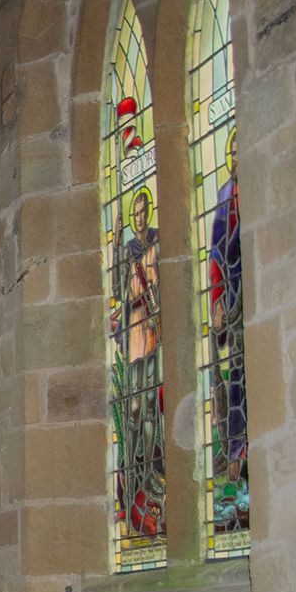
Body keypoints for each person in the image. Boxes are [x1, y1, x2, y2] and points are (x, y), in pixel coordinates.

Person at [114, 186, 164, 539]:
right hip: (134, 329)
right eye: (136, 212)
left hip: (153, 326)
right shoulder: (130, 249)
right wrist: (116, 242)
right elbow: (119, 288)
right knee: (133, 403)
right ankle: (135, 476)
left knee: (149, 402)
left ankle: (151, 473)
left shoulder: (158, 243)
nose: (140, 216)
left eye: (144, 210)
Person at [207, 132, 247, 530]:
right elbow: (217, 251)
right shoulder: (224, 195)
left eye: (240, 149)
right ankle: (235, 473)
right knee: (237, 379)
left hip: (256, 290)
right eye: (232, 151)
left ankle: (246, 470)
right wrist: (217, 298)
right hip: (235, 299)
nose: (236, 156)